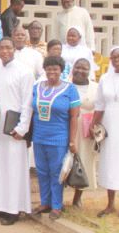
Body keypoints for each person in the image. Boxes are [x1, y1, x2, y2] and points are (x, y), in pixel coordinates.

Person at [0, 38, 33, 225]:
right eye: (1, 48)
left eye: (8, 47)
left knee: (12, 168)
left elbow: (28, 103)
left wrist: (22, 128)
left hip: (14, 128)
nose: (4, 51)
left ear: (14, 49)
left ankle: (13, 209)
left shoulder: (24, 72)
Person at [32, 56, 80, 220]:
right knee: (42, 171)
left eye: (55, 68)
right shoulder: (37, 87)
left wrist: (72, 140)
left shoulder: (70, 89)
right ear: (44, 70)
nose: (52, 71)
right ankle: (45, 202)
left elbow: (74, 117)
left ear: (61, 70)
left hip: (59, 138)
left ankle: (57, 205)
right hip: (39, 137)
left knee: (57, 173)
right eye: (49, 68)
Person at [91, 46, 119, 219]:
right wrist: (94, 124)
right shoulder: (105, 78)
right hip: (109, 125)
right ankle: (110, 204)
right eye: (113, 57)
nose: (116, 59)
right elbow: (99, 104)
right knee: (110, 163)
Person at [70, 58, 98, 208]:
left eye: (84, 68)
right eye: (78, 67)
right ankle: (57, 198)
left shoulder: (96, 87)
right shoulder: (65, 85)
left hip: (87, 129)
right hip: (67, 127)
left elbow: (100, 108)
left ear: (89, 70)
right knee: (65, 161)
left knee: (84, 160)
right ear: (73, 68)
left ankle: (77, 197)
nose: (80, 71)